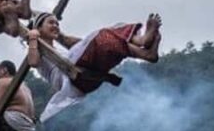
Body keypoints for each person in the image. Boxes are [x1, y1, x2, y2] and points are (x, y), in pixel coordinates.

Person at [27, 12, 162, 122]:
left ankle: (143, 43)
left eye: (57, 23)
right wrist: (33, 38)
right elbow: (32, 62)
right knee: (103, 36)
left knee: (113, 35)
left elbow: (75, 43)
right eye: (51, 23)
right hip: (71, 79)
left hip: (85, 75)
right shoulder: (38, 50)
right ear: (38, 29)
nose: (56, 25)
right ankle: (145, 49)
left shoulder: (60, 50)